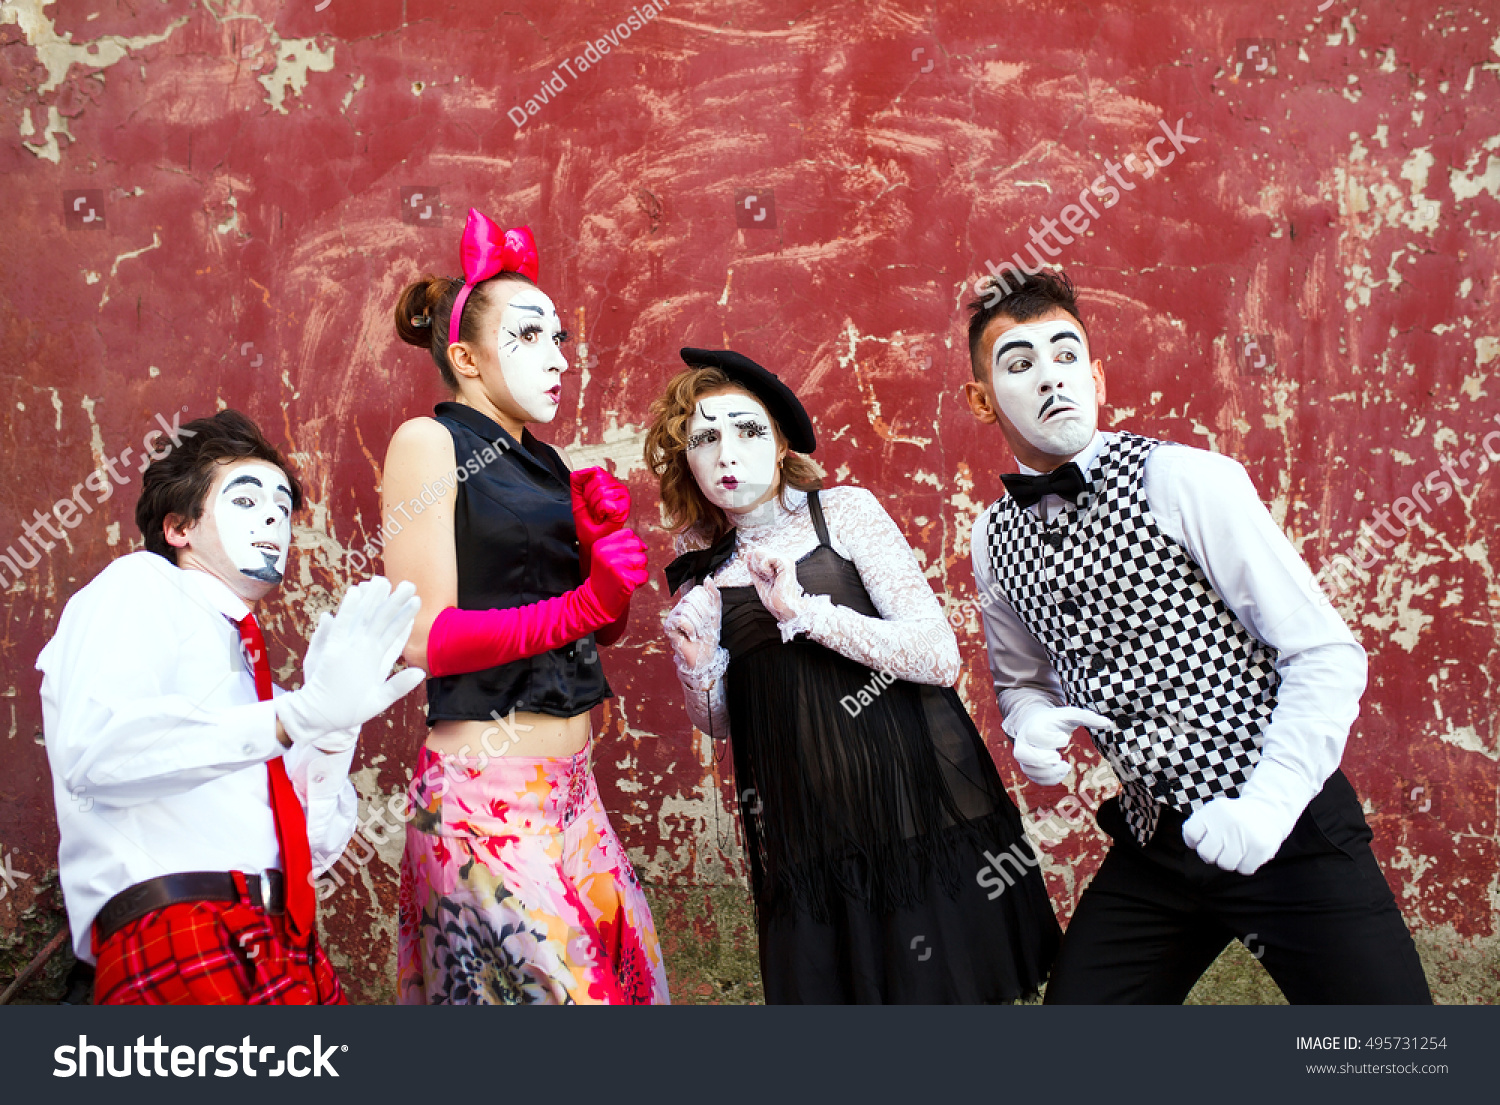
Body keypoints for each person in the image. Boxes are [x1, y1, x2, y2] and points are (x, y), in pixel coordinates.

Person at [963, 267, 1432, 1004]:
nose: (1052, 378)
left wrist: (1268, 807)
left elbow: (1326, 654)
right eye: (1020, 364)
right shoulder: (992, 537)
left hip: (1288, 826)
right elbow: (1022, 679)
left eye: (1066, 354)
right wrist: (1028, 722)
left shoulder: (1185, 480)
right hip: (1157, 844)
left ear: (1098, 375)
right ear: (982, 399)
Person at [650, 347, 1061, 1004]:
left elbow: (937, 654)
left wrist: (806, 613)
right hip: (807, 842)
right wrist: (698, 664)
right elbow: (725, 721)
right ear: (686, 458)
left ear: (781, 443)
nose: (727, 453)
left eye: (747, 429)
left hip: (911, 817)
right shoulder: (696, 559)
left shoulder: (840, 512)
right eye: (704, 437)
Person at [38, 409, 423, 1005]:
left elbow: (310, 855)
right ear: (178, 528)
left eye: (281, 506)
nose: (273, 515)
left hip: (287, 942)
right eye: (245, 501)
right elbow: (99, 754)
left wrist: (329, 733)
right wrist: (291, 719)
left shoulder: (247, 665)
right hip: (181, 931)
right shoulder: (135, 586)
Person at [385, 208, 668, 1005]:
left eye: (559, 338)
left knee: (632, 995)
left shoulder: (542, 460)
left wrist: (598, 562)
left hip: (575, 791)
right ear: (466, 357)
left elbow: (586, 627)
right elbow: (423, 638)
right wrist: (584, 601)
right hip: (484, 798)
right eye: (529, 337)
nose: (558, 360)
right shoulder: (426, 445)